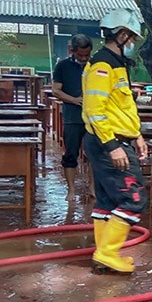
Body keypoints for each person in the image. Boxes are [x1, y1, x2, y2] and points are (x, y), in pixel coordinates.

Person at [82, 8, 148, 274]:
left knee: (108, 201)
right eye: (132, 37)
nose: (133, 43)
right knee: (134, 199)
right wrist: (113, 146)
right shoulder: (103, 65)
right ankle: (107, 253)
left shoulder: (117, 64)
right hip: (108, 143)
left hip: (116, 139)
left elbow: (122, 107)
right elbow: (94, 110)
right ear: (121, 35)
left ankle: (104, 256)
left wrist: (136, 135)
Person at [52, 34, 94, 201]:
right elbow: (56, 90)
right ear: (72, 50)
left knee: (93, 154)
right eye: (80, 55)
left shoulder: (95, 65)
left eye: (87, 55)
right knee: (71, 154)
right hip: (72, 117)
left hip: (93, 117)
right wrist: (74, 100)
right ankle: (71, 190)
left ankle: (93, 187)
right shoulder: (63, 66)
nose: (84, 58)